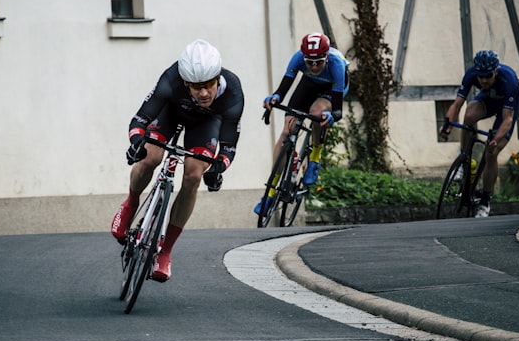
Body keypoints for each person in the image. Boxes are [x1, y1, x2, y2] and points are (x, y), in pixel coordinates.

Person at [110, 39, 245, 282]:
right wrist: (136, 142)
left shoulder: (233, 91)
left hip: (206, 124)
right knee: (151, 156)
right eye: (195, 87)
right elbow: (140, 119)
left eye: (208, 86)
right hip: (170, 112)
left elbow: (229, 144)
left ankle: (166, 252)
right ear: (185, 83)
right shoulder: (171, 79)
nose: (203, 93)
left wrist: (219, 168)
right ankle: (131, 203)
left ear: (218, 78)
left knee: (194, 175)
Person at [257, 32, 349, 214]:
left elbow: (338, 109)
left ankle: (315, 156)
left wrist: (331, 117)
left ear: (327, 59)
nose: (314, 67)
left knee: (316, 112)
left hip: (332, 89)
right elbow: (283, 88)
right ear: (304, 58)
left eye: (319, 63)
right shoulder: (298, 58)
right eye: (310, 63)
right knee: (286, 131)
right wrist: (275, 98)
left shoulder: (337, 65)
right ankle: (270, 192)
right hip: (309, 85)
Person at [439, 49, 519, 218]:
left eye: (488, 76)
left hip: (507, 110)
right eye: (480, 76)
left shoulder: (509, 80)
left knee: (491, 152)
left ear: (496, 72)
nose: (483, 80)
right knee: (469, 114)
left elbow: (507, 120)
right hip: (489, 101)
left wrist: (495, 139)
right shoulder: (471, 74)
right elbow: (457, 104)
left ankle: (485, 201)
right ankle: (464, 161)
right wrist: (447, 125)